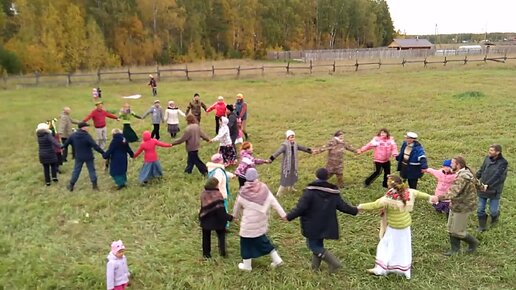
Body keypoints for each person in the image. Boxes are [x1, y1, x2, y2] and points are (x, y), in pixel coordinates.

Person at [358, 175, 434, 279]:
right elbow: (419, 194)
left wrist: (360, 206)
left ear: (390, 184)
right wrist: (430, 197)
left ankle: (381, 269)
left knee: (384, 245)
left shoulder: (389, 198)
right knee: (403, 248)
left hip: (394, 227)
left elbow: (374, 205)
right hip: (405, 226)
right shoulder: (408, 192)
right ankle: (404, 269)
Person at [286, 168, 359, 273]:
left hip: (312, 224)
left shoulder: (310, 192)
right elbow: (343, 206)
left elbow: (301, 208)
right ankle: (314, 268)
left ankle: (334, 263)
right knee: (318, 243)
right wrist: (355, 210)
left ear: (316, 176)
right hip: (326, 223)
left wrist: (289, 217)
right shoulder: (333, 192)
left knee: (313, 246)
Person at [232, 168, 287, 271]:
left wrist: (234, 216)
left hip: (248, 224)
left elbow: (237, 206)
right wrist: (283, 215)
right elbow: (274, 202)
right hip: (260, 222)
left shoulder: (243, 192)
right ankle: (277, 260)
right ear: (257, 177)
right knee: (263, 241)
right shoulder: (264, 188)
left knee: (246, 244)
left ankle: (247, 266)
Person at [433, 156, 480, 256]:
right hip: (455, 204)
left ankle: (474, 243)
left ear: (458, 165)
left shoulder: (462, 177)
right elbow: (477, 182)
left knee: (458, 231)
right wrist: (483, 187)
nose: (450, 165)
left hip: (463, 206)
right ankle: (455, 250)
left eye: (452, 163)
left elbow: (452, 193)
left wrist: (438, 198)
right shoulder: (463, 173)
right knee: (450, 227)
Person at [62, 122, 105, 191]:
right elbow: (95, 146)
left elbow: (66, 144)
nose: (88, 128)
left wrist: (61, 147)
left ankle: (71, 185)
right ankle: (95, 186)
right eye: (87, 126)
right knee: (91, 170)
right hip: (88, 156)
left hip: (78, 156)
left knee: (76, 171)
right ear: (83, 127)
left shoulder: (73, 135)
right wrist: (103, 153)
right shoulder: (87, 136)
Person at [269, 130, 312, 196]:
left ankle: (291, 188)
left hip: (293, 163)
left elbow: (302, 148)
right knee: (285, 178)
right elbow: (278, 152)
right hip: (287, 165)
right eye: (291, 137)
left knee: (292, 175)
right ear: (287, 138)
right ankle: (279, 193)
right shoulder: (284, 146)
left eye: (293, 137)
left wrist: (309, 150)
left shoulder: (295, 144)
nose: (292, 138)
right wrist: (271, 158)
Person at [475, 144, 508, 231]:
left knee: (493, 211)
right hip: (483, 188)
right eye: (489, 150)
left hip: (494, 190)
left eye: (492, 150)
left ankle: (495, 217)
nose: (489, 152)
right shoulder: (487, 158)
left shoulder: (503, 163)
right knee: (480, 209)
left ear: (498, 152)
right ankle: (482, 226)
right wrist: (474, 178)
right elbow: (482, 170)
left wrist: (488, 185)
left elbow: (498, 176)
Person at [199, 177, 234, 258]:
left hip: (205, 218)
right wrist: (230, 218)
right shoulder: (218, 195)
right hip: (218, 220)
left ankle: (206, 254)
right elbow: (221, 211)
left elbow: (204, 207)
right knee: (221, 235)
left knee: (206, 237)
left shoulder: (203, 193)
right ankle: (223, 253)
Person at [207, 153, 235, 229]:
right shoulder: (218, 171)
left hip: (215, 195)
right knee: (223, 210)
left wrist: (232, 175)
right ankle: (224, 225)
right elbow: (217, 181)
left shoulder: (215, 169)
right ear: (219, 161)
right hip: (220, 195)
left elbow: (224, 173)